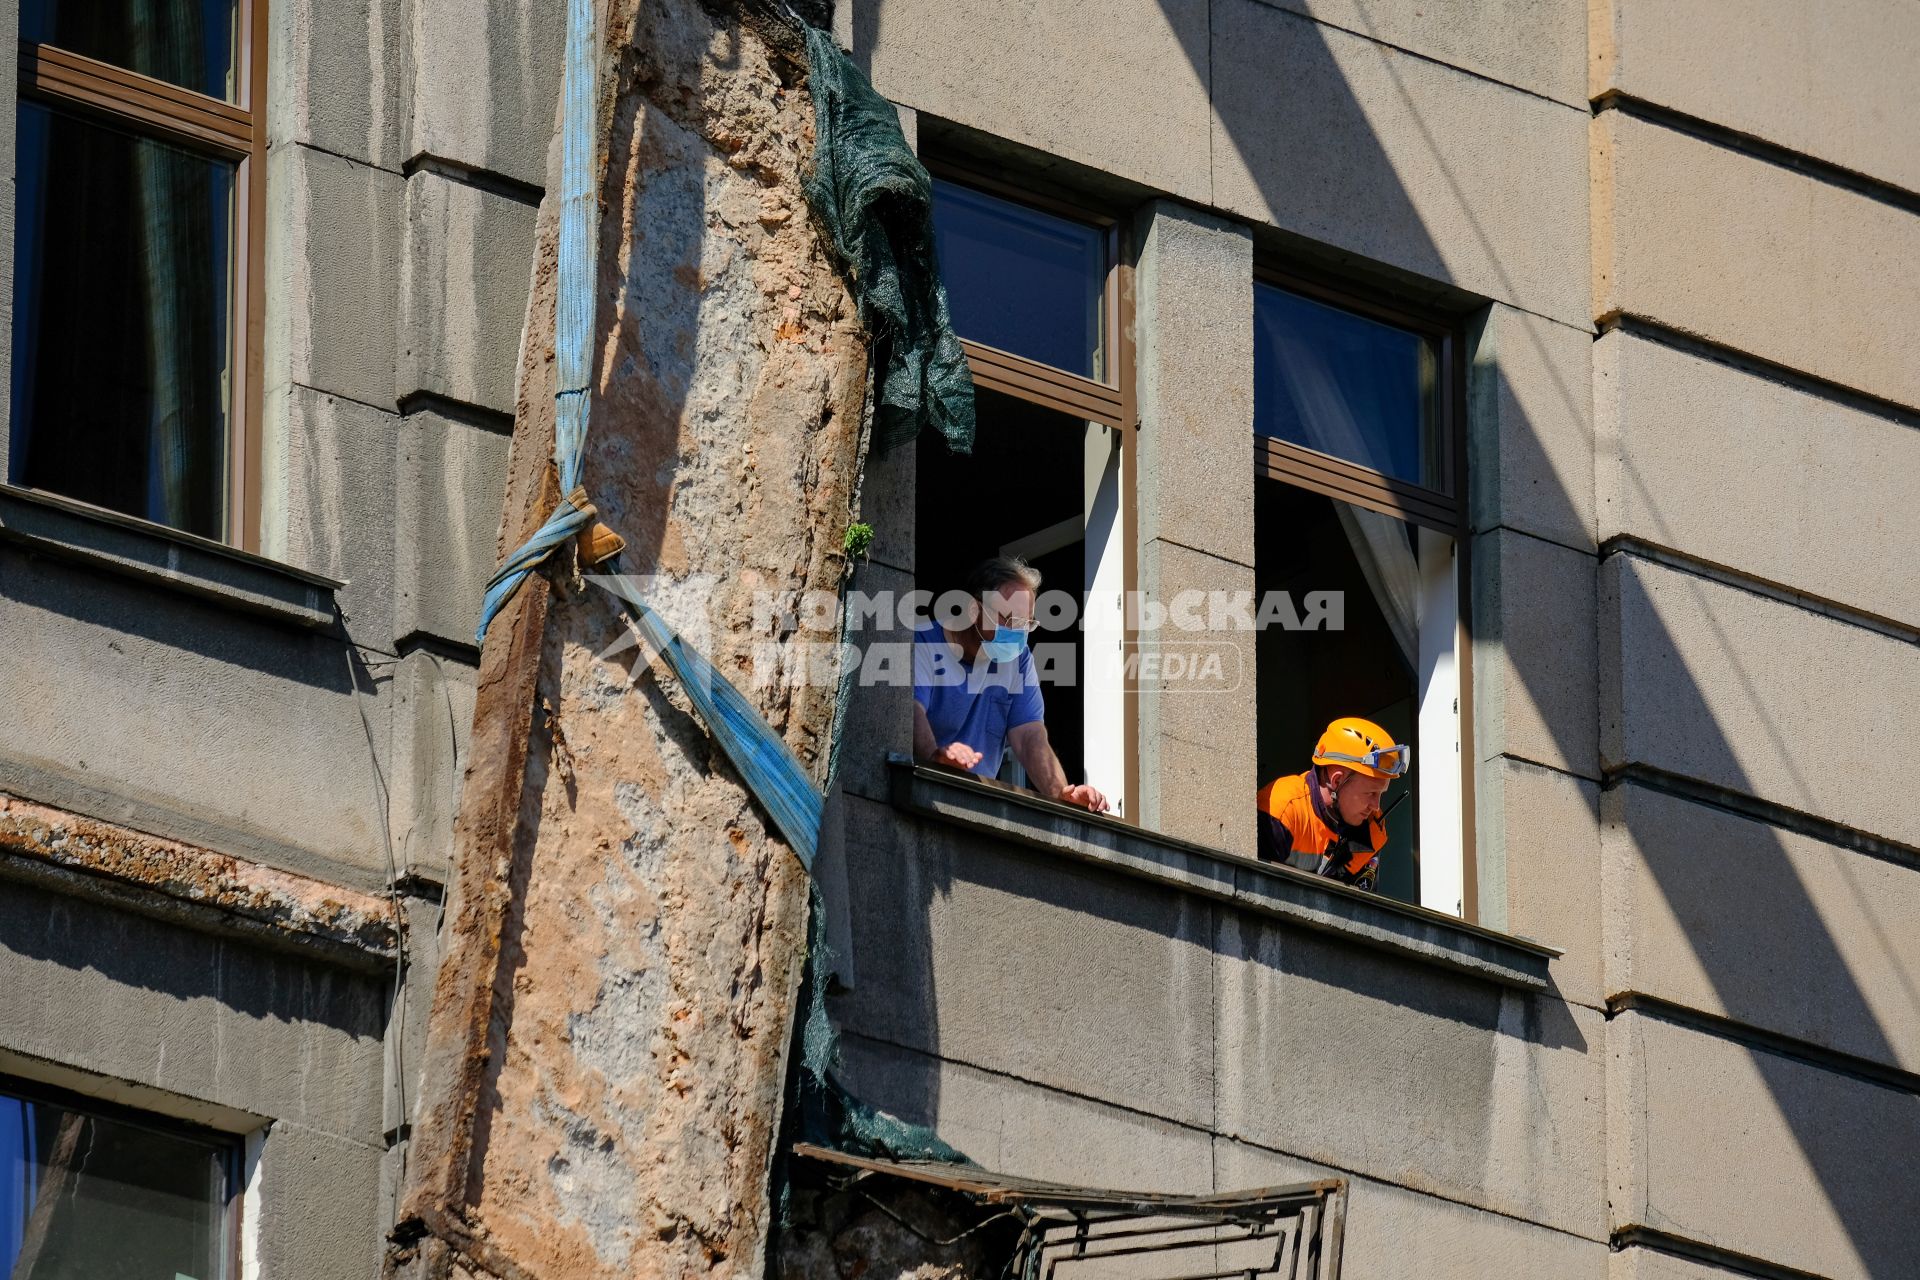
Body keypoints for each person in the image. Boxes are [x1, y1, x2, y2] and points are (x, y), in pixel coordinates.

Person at [913, 556, 1109, 813]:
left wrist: (1062, 795)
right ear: (974, 610)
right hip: (921, 798)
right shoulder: (923, 643)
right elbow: (910, 710)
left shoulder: (1020, 660)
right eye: (1008, 619)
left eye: (1025, 623)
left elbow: (1029, 737)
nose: (1017, 633)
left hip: (979, 807)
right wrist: (935, 759)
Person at [1256, 717, 1410, 891]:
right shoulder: (1281, 810)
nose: (1375, 806)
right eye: (1370, 793)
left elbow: (1362, 910)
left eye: (1381, 794)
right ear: (1337, 781)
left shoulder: (1372, 827)